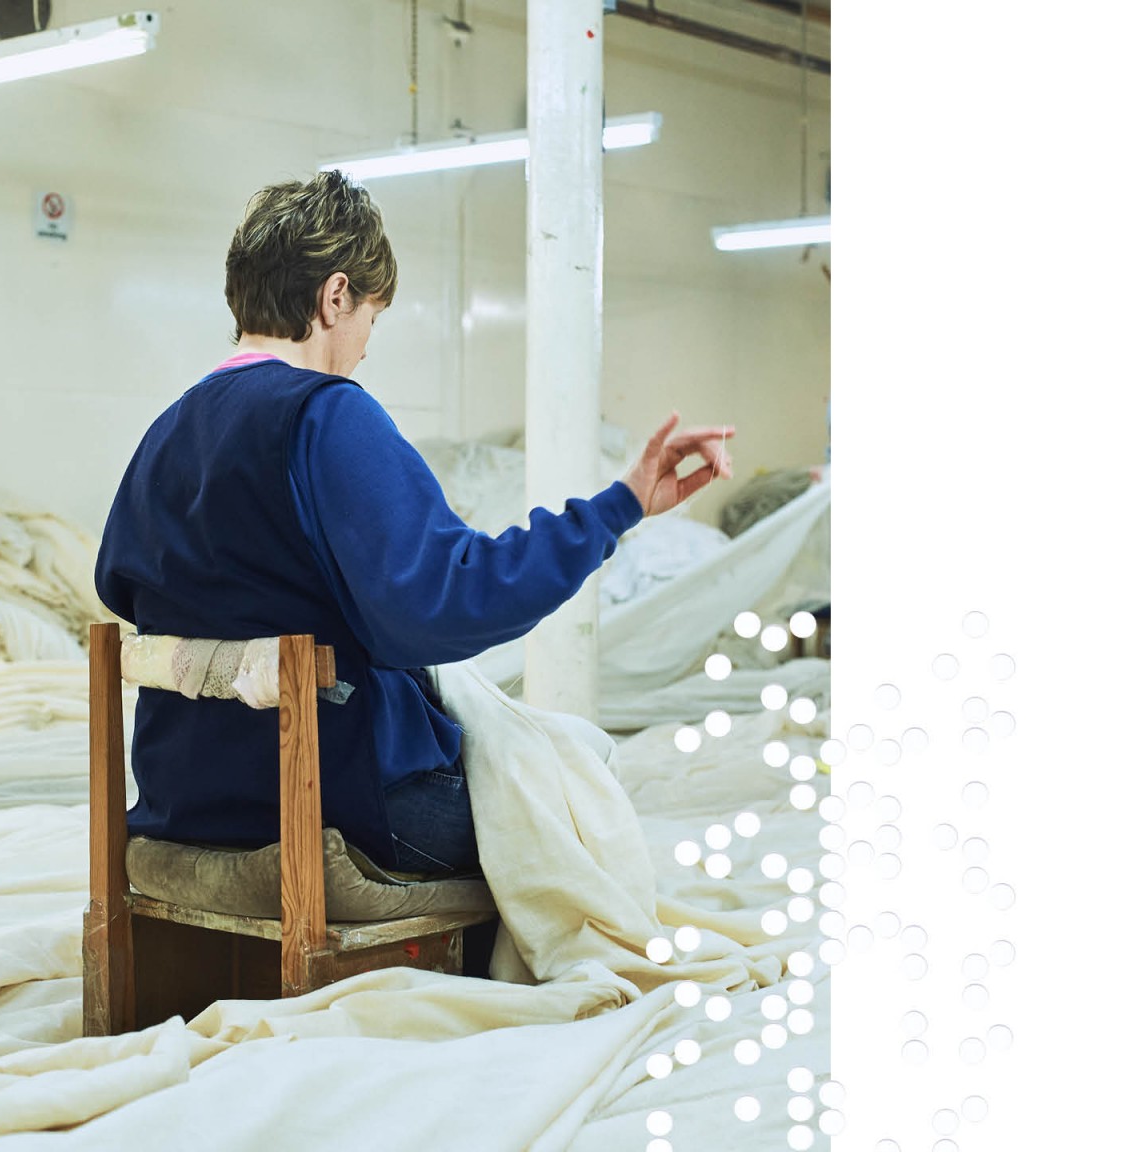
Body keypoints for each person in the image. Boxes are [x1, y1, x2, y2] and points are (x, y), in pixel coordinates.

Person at [94, 171, 734, 875]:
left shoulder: (168, 430)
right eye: (373, 313)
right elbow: (446, 601)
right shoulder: (327, 413)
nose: (367, 341)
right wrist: (622, 506)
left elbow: (117, 584)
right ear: (336, 296)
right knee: (585, 790)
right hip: (335, 800)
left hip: (183, 801)